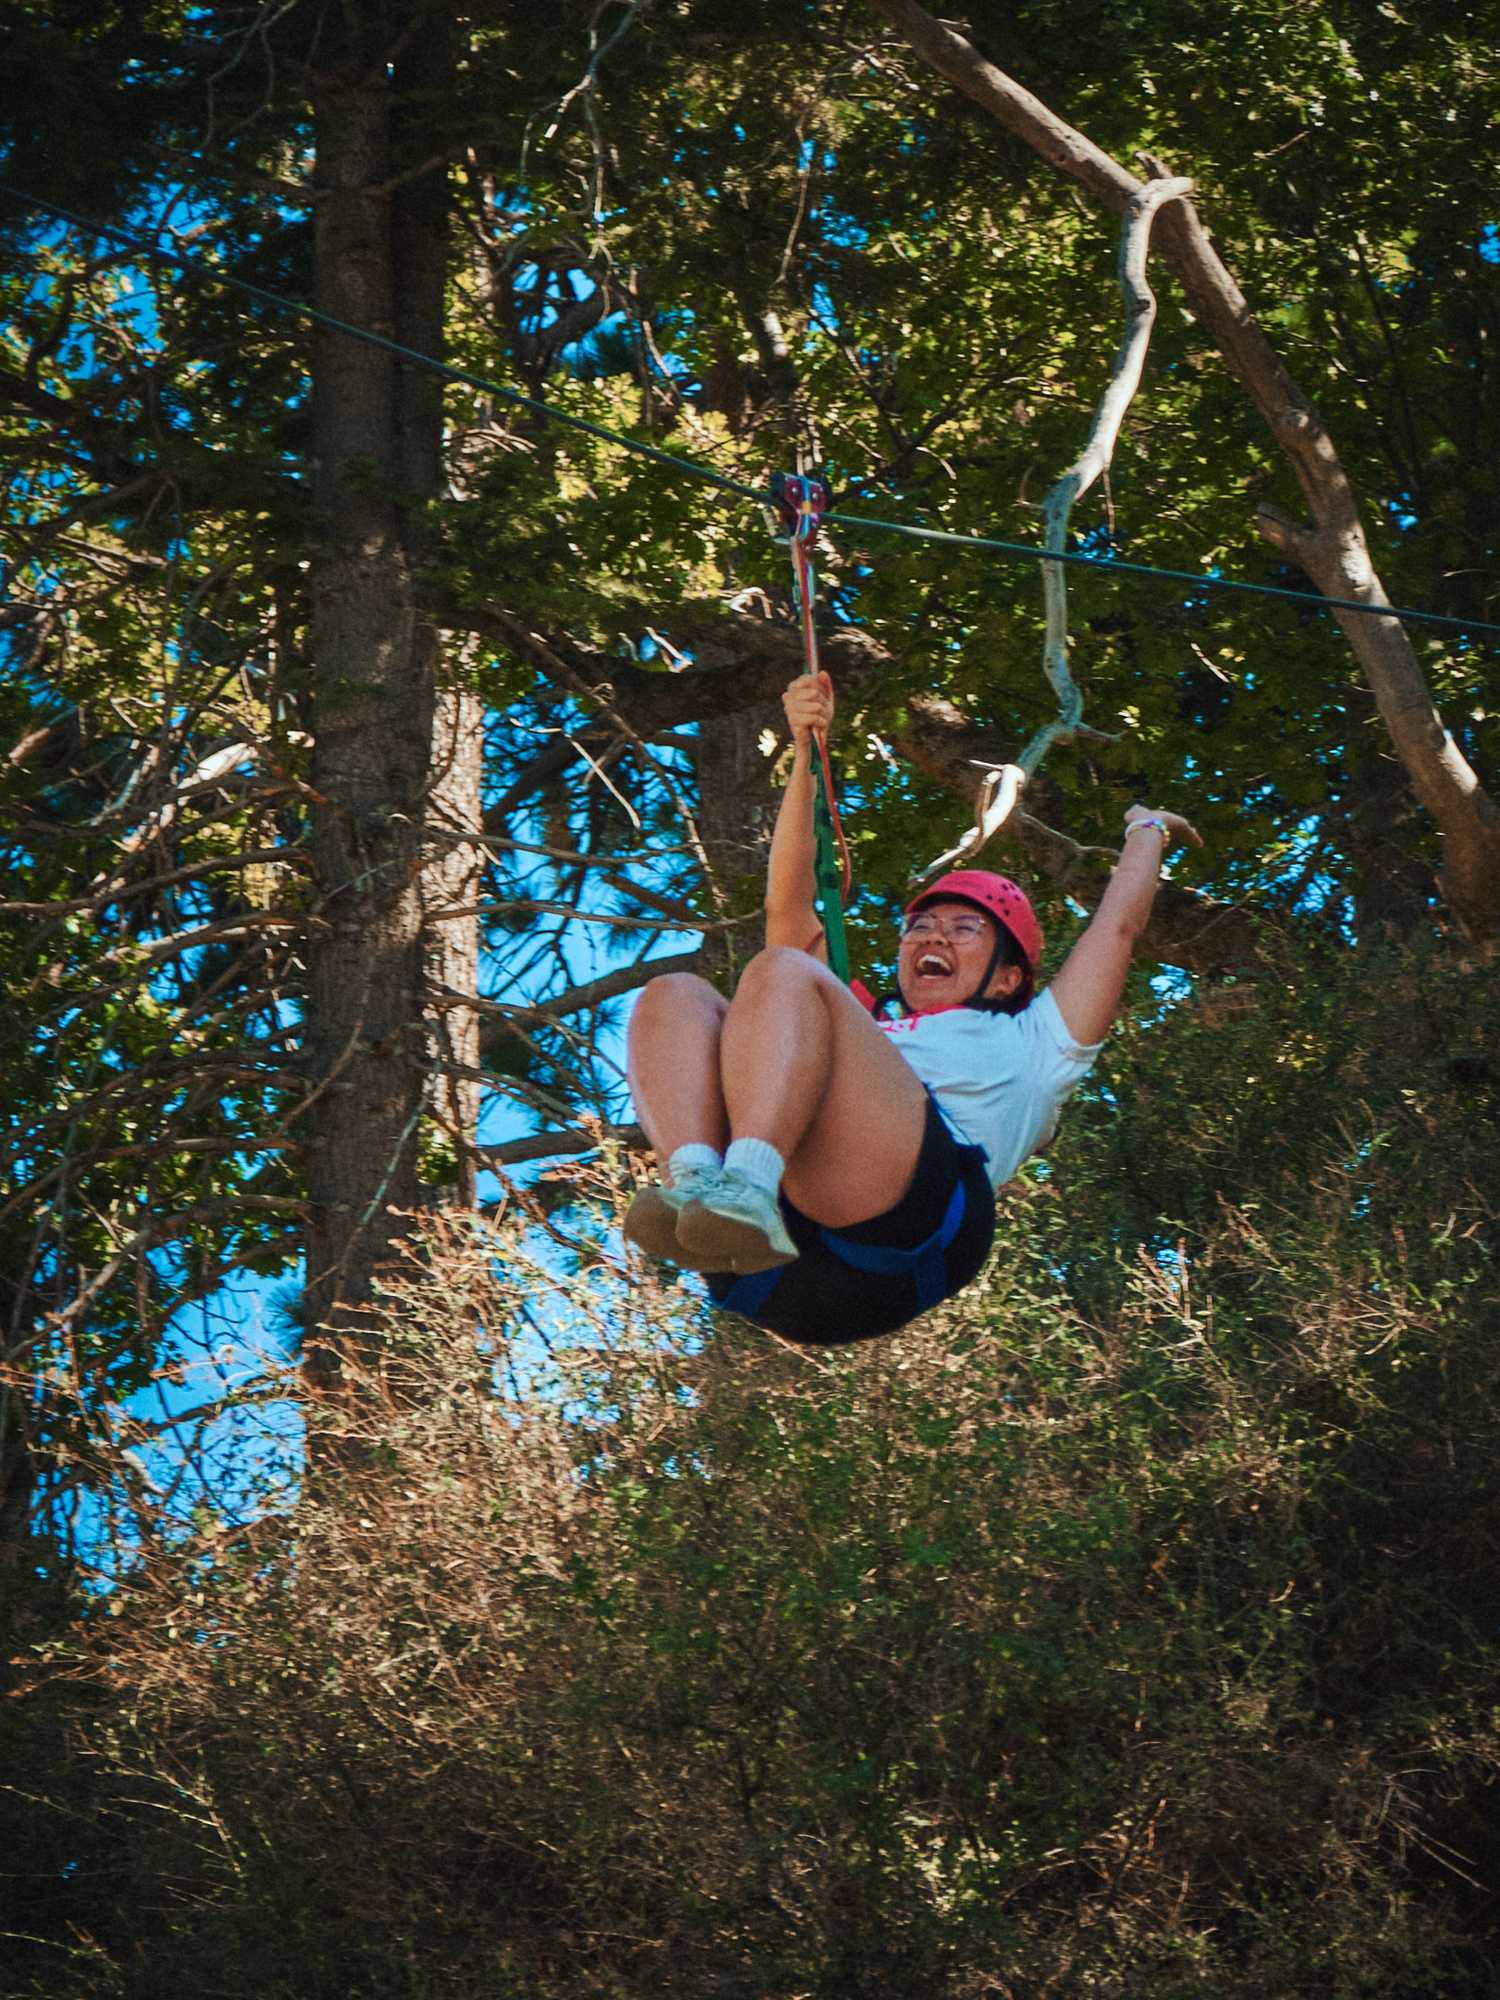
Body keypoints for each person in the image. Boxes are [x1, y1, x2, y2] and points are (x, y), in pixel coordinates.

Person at [624, 670, 1200, 1345]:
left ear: (1008, 977)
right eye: (922, 926)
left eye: (964, 929)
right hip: (782, 1272)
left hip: (906, 1231)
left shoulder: (1040, 1041)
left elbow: (1116, 931)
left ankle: (745, 1184)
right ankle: (698, 1186)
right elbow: (788, 905)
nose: (933, 937)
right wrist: (805, 750)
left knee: (786, 970)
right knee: (676, 993)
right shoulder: (853, 1031)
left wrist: (1147, 830)